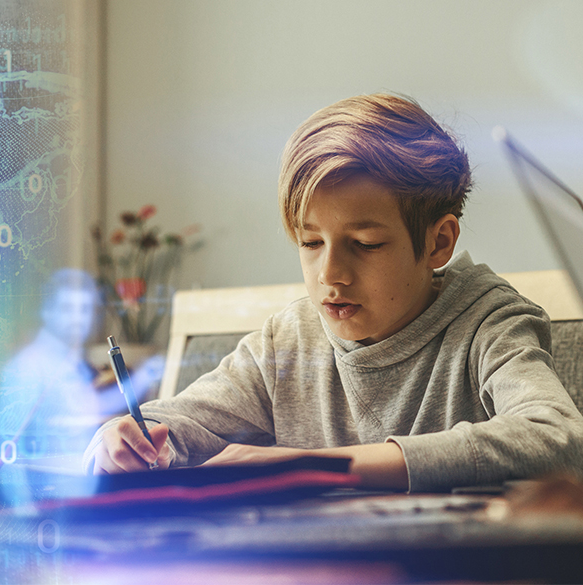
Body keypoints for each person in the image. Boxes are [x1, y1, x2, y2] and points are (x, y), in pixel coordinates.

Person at [84, 93, 583, 492]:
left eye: (364, 245)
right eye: (310, 242)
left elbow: (557, 437)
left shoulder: (488, 322)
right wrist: (121, 438)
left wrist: (317, 466)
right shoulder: (285, 344)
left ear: (439, 242)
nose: (331, 274)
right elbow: (180, 426)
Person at [0, 269, 164, 461]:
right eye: (67, 309)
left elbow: (90, 408)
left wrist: (142, 378)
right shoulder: (28, 366)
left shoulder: (71, 361)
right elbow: (6, 441)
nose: (77, 319)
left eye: (84, 309)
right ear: (46, 311)